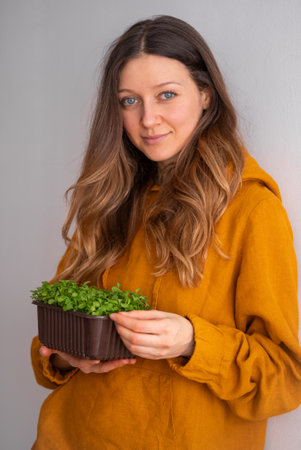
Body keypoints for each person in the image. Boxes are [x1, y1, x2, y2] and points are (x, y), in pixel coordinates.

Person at [31, 15, 301, 450]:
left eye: (167, 95)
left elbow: (285, 379)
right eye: (129, 100)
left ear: (206, 95)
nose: (148, 119)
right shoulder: (108, 198)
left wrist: (193, 341)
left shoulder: (253, 210)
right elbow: (49, 341)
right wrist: (67, 355)